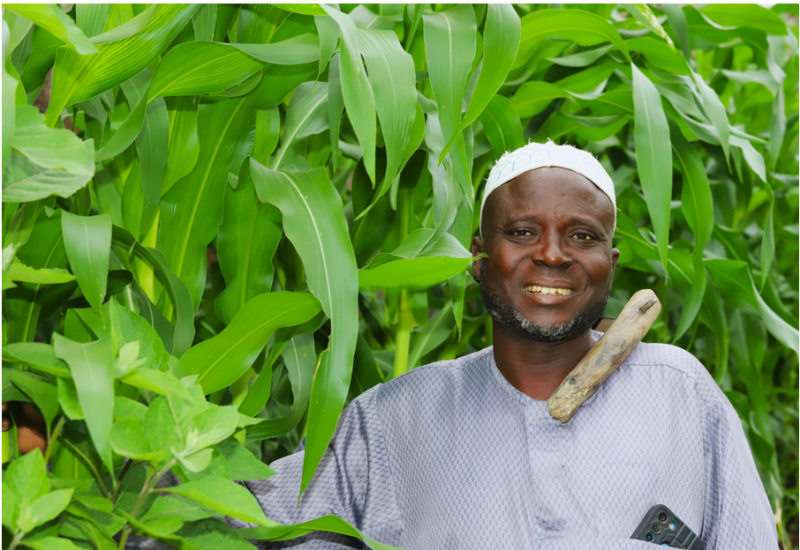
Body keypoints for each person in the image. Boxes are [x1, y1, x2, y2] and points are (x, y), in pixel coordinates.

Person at [5, 142, 778, 549]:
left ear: (611, 261)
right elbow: (231, 516)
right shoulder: (398, 420)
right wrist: (71, 460)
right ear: (480, 257)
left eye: (582, 236)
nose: (551, 256)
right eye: (521, 233)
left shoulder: (680, 396)